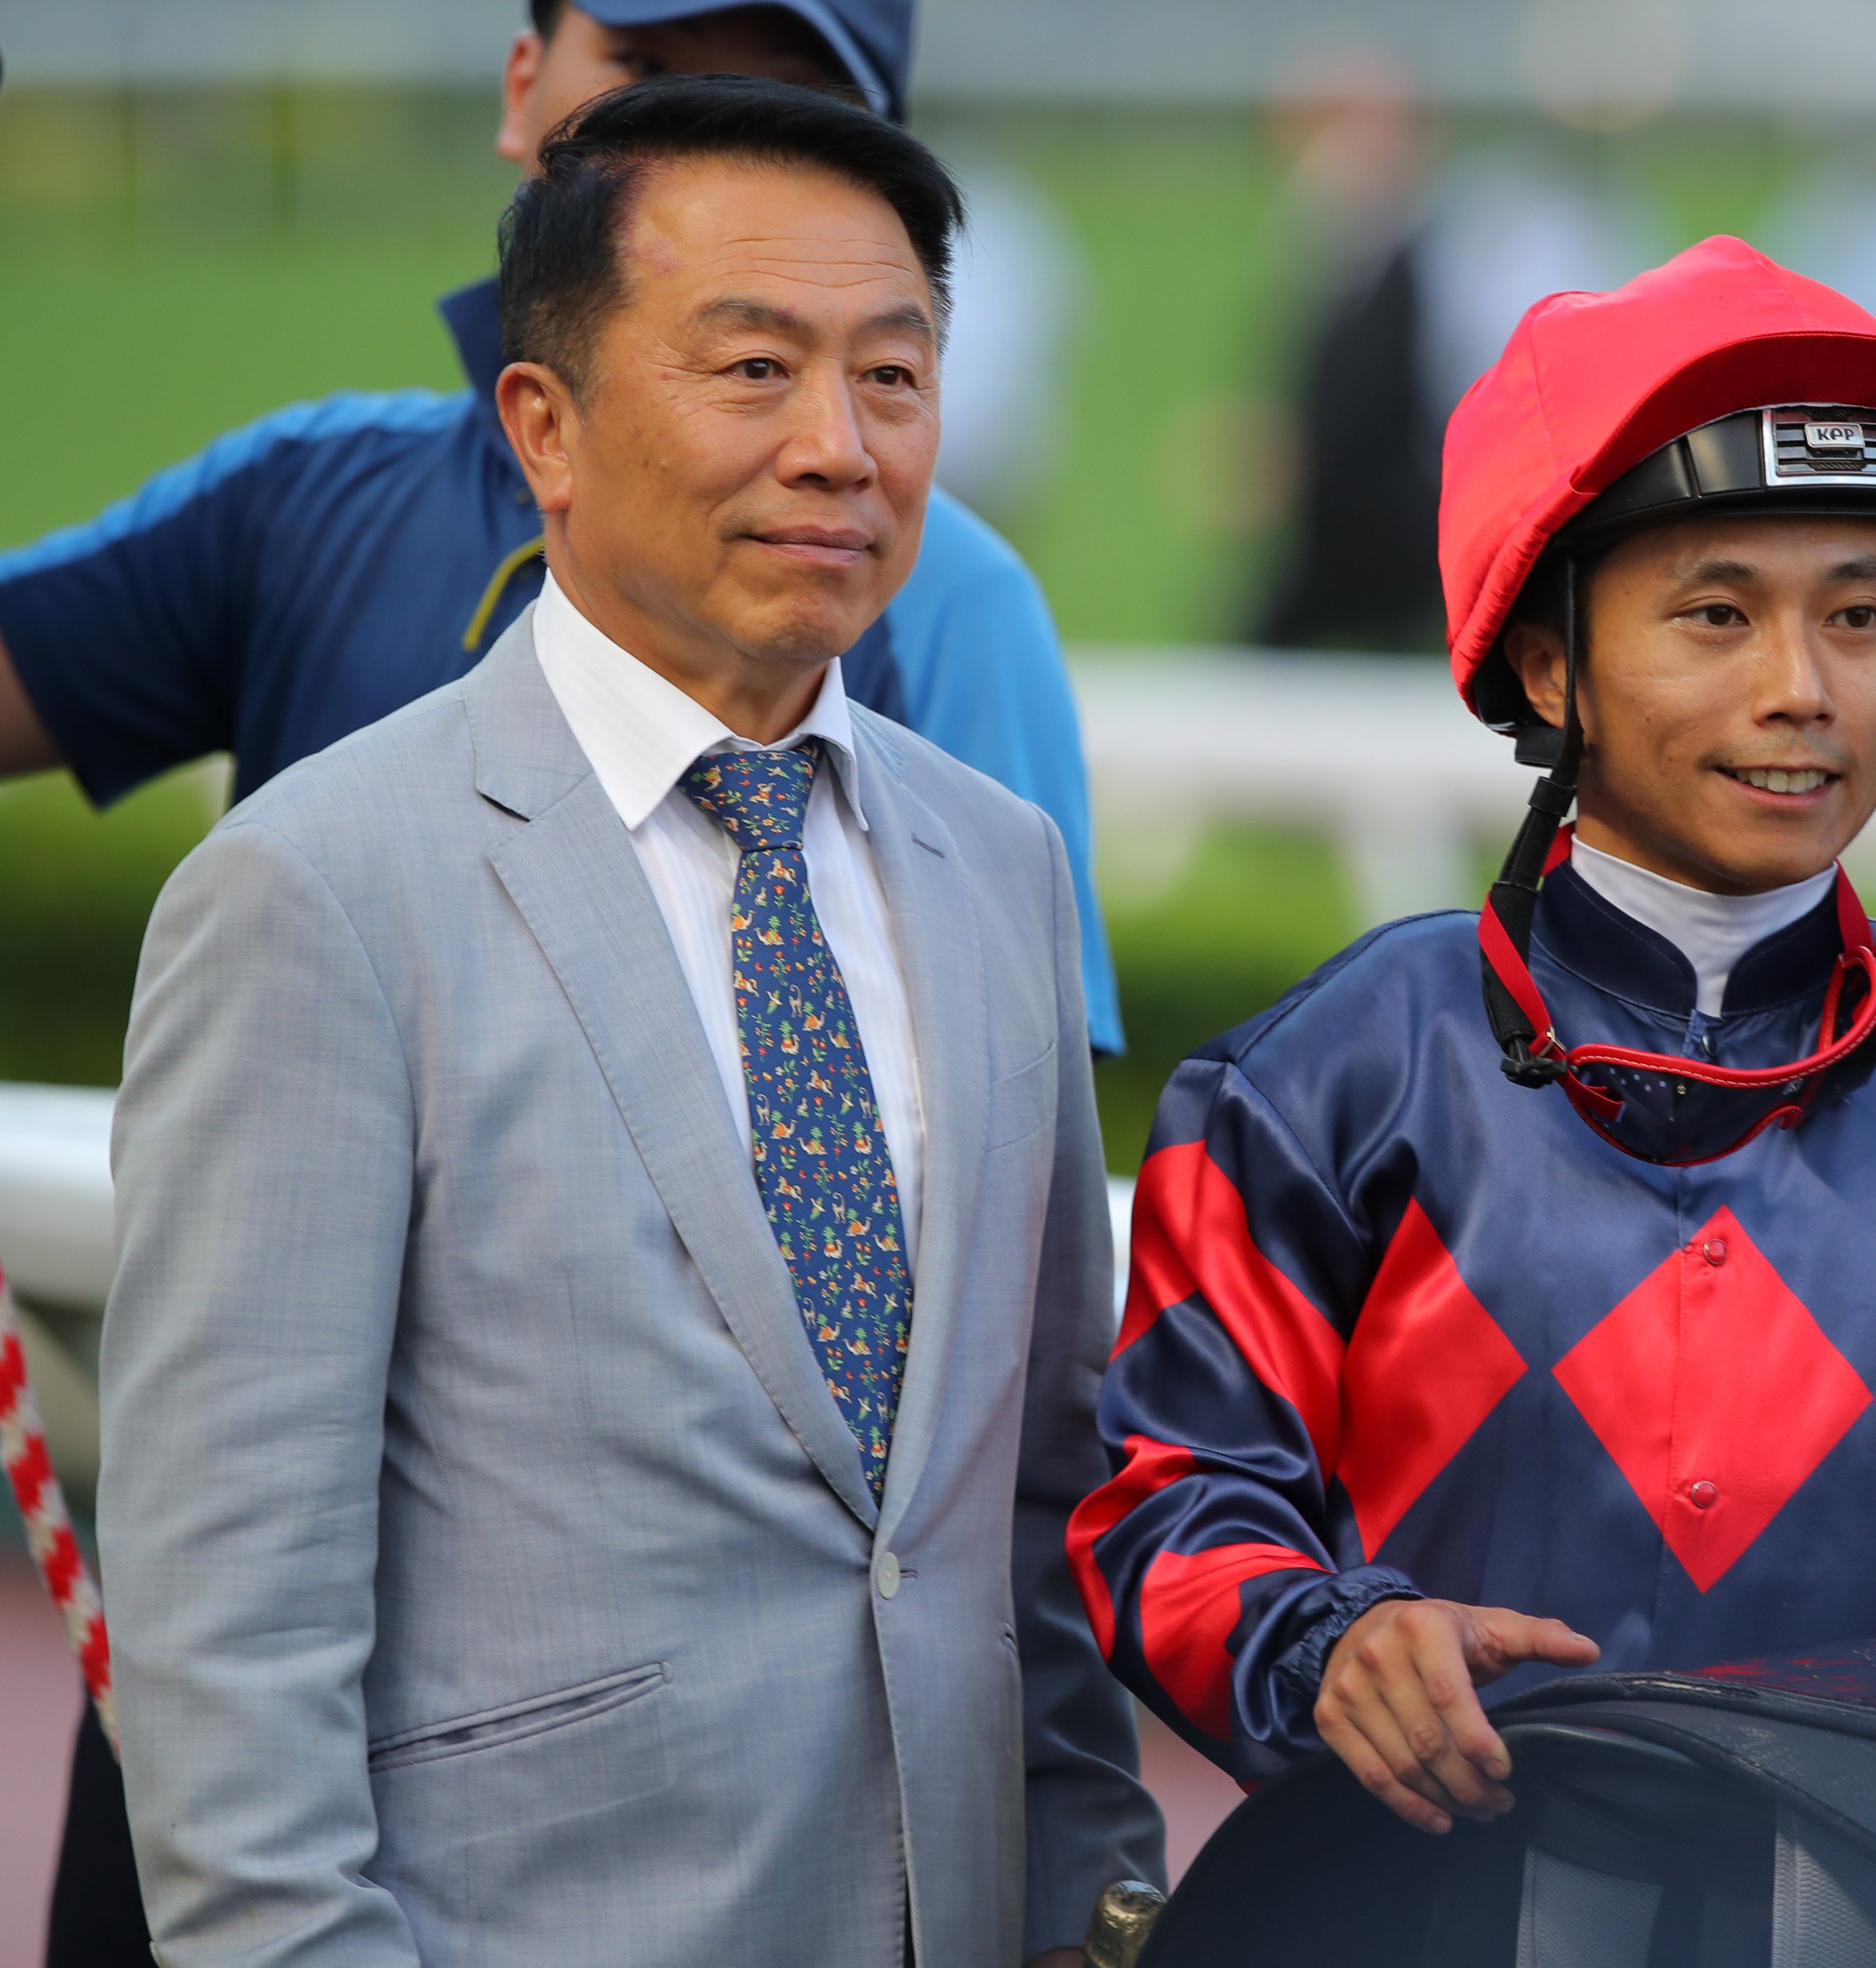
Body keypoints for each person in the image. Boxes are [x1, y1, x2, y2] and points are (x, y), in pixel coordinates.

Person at [94, 77, 1157, 1967]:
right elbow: (229, 1657)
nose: (839, 446)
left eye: (893, 379)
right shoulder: (320, 896)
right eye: (754, 369)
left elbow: (1032, 1520)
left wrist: (1092, 1898)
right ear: (546, 426)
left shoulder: (997, 868)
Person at [1069, 238, 1876, 1834]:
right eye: (1713, 614)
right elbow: (1164, 1512)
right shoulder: (1318, 1083)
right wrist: (1331, 1640)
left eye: (1857, 615)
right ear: (1548, 667)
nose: (1801, 689)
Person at [0, 0, 1120, 1063]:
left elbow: (999, 1150)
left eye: (783, 96)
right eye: (648, 74)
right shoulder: (303, 501)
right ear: (524, 87)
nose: (702, 136)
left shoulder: (944, 594)